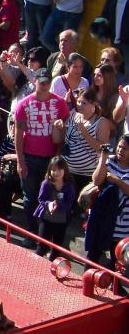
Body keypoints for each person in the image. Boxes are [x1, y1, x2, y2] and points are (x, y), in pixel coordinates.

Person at [14, 67, 71, 239]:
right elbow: (18, 134)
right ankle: (32, 233)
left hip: (51, 160)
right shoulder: (23, 104)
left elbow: (65, 130)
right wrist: (20, 161)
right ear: (35, 82)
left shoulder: (60, 103)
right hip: (30, 158)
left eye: (47, 82)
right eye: (42, 82)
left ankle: (46, 236)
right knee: (30, 198)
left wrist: (59, 157)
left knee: (50, 197)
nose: (45, 85)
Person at [55, 87, 111, 194]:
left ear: (93, 105)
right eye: (79, 101)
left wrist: (84, 132)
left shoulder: (101, 122)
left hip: (86, 175)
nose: (80, 105)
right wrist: (58, 126)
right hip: (67, 172)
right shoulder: (72, 115)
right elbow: (60, 140)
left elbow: (102, 149)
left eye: (84, 103)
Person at [0, 42, 29, 162]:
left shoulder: (22, 71)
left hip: (8, 109)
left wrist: (2, 72)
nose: (12, 54)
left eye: (16, 52)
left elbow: (13, 88)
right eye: (11, 51)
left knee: (7, 137)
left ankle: (5, 162)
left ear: (21, 56)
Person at [89, 134, 129, 266]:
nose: (120, 150)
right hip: (102, 217)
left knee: (117, 261)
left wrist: (117, 181)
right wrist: (103, 158)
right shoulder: (110, 160)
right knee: (92, 256)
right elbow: (96, 180)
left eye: (124, 148)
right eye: (119, 146)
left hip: (122, 224)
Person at [33, 156, 77, 259]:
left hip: (62, 221)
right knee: (42, 245)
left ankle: (52, 264)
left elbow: (70, 202)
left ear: (65, 170)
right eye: (53, 170)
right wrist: (48, 204)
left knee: (57, 248)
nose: (56, 172)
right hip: (46, 219)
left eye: (59, 169)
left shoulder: (69, 185)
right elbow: (41, 198)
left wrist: (58, 205)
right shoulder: (46, 183)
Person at [100, 0, 129, 68]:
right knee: (112, 68)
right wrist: (103, 34)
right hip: (114, 39)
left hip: (127, 42)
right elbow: (105, 15)